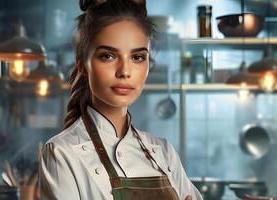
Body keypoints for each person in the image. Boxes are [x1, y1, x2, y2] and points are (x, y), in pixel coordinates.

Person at [39, 0, 203, 199]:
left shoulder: (163, 151)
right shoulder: (62, 154)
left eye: (138, 57)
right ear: (83, 64)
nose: (125, 71)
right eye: (108, 56)